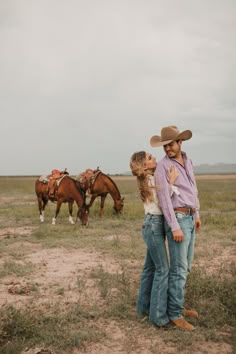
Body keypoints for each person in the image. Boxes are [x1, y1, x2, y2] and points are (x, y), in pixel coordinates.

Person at [150, 125, 201, 331]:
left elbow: (193, 187)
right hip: (178, 218)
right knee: (178, 269)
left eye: (170, 144)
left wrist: (196, 213)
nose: (167, 149)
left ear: (180, 142)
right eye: (165, 146)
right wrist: (174, 226)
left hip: (189, 216)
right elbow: (163, 199)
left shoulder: (187, 160)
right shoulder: (162, 166)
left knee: (186, 266)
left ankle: (177, 305)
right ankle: (175, 314)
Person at [130, 151, 179, 328]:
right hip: (154, 225)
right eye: (150, 158)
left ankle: (143, 308)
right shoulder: (152, 180)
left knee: (150, 269)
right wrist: (171, 182)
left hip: (150, 224)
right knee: (162, 270)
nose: (154, 159)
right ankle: (158, 317)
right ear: (144, 166)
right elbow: (163, 202)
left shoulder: (146, 180)